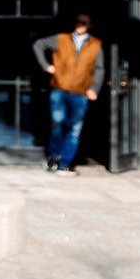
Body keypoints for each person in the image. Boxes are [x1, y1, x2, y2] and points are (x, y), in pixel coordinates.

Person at [32, 11, 106, 175]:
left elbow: (99, 69)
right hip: (60, 90)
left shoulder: (96, 45)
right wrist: (46, 66)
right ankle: (53, 156)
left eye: (84, 23)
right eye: (78, 21)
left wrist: (94, 89)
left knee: (74, 130)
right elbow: (38, 45)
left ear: (89, 26)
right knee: (57, 124)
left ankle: (65, 163)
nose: (80, 25)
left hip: (80, 94)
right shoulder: (61, 39)